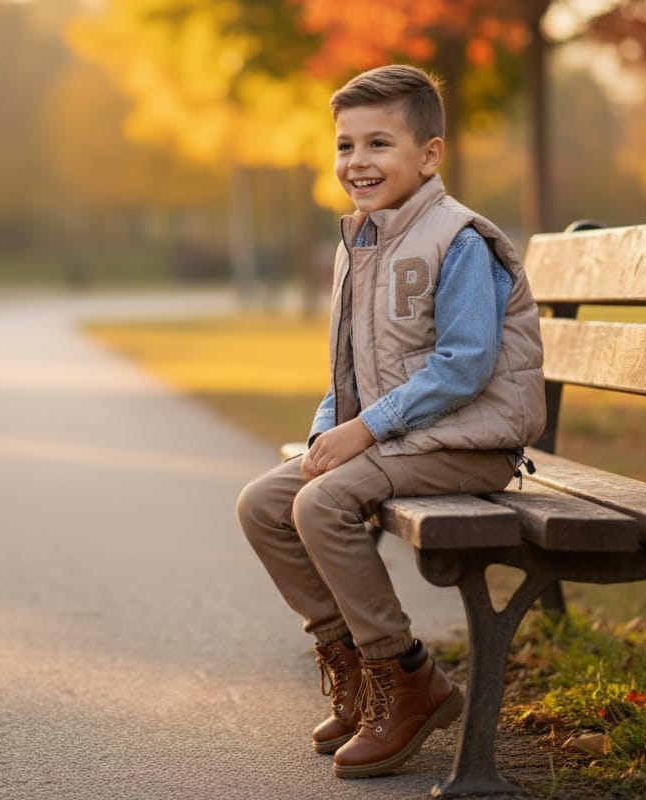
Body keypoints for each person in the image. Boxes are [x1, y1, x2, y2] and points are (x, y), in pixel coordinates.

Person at [236, 64, 546, 779]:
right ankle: (353, 662)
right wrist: (325, 434)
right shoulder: (363, 243)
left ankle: (407, 678)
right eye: (345, 146)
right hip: (404, 438)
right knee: (264, 504)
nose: (357, 162)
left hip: (473, 442)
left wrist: (365, 431)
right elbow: (346, 368)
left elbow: (465, 365)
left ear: (429, 155)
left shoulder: (459, 239)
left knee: (324, 504)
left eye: (379, 143)